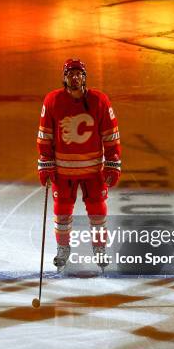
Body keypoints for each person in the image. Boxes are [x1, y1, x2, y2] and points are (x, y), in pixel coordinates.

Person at [37, 59, 121, 272]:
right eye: (70, 74)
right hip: (63, 172)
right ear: (64, 77)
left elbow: (111, 135)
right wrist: (45, 164)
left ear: (84, 77)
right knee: (62, 212)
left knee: (98, 212)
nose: (74, 77)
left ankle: (100, 248)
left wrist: (112, 164)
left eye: (78, 74)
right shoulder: (52, 100)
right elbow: (44, 136)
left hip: (93, 170)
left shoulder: (99, 100)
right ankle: (63, 248)